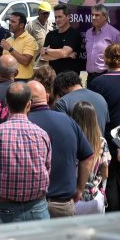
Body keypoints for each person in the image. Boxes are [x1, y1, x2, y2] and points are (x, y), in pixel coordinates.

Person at [0, 82, 52, 223]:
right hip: (37, 209)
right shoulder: (42, 134)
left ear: (7, 103)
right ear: (29, 104)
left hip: (4, 209)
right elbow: (47, 168)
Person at [87, 44, 120, 212]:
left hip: (106, 134)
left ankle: (112, 212)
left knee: (108, 177)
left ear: (106, 59)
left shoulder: (98, 82)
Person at [26, 81, 93, 218]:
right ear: (48, 97)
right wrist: (80, 189)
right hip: (62, 205)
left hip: (30, 207)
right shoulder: (67, 120)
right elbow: (87, 157)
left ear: (27, 101)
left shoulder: (23, 124)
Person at [71, 102, 110, 215]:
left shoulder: (71, 141)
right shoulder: (101, 142)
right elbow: (105, 173)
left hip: (74, 198)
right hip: (95, 198)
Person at [85, 4, 120, 85]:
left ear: (105, 17)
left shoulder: (115, 34)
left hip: (107, 76)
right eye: (92, 15)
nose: (93, 18)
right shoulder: (88, 33)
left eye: (97, 15)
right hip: (90, 77)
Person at [41, 4, 82, 74]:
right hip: (53, 78)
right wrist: (67, 56)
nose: (57, 20)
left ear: (68, 17)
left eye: (60, 17)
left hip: (70, 78)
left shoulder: (74, 34)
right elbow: (44, 56)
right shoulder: (50, 35)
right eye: (56, 17)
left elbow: (63, 53)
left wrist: (46, 50)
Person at [0, 12, 37, 80]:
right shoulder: (8, 40)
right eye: (9, 21)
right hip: (8, 80)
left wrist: (10, 49)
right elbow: (6, 63)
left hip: (23, 80)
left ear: (21, 25)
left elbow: (25, 61)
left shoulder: (30, 40)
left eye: (13, 22)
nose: (10, 23)